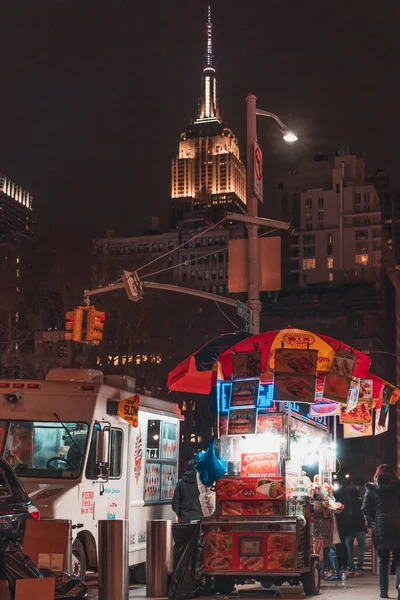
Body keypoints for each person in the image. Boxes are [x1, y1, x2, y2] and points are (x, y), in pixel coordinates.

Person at [362, 464, 400, 599]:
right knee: (399, 559)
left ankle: (384, 591)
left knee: (382, 559)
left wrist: (372, 520)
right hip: (398, 526)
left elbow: (366, 509)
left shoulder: (372, 489)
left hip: (380, 527)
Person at [172, 452, 215, 523]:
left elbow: (175, 504)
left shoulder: (181, 482)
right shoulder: (206, 482)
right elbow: (212, 504)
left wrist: (183, 514)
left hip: (185, 521)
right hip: (202, 521)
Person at [339, 479, 367, 573]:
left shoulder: (344, 497)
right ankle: (359, 565)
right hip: (360, 524)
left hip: (349, 524)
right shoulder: (360, 497)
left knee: (348, 546)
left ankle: (350, 565)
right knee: (361, 546)